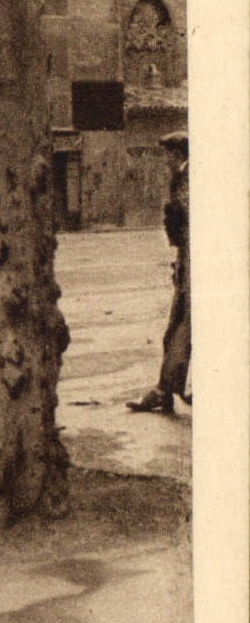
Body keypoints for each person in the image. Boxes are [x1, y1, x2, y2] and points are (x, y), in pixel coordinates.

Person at [128, 132, 191, 415]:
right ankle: (167, 389)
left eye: (169, 153)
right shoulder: (184, 176)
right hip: (188, 259)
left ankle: (165, 389)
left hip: (194, 259)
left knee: (182, 327)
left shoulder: (188, 178)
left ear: (178, 153)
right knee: (176, 328)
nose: (166, 159)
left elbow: (189, 221)